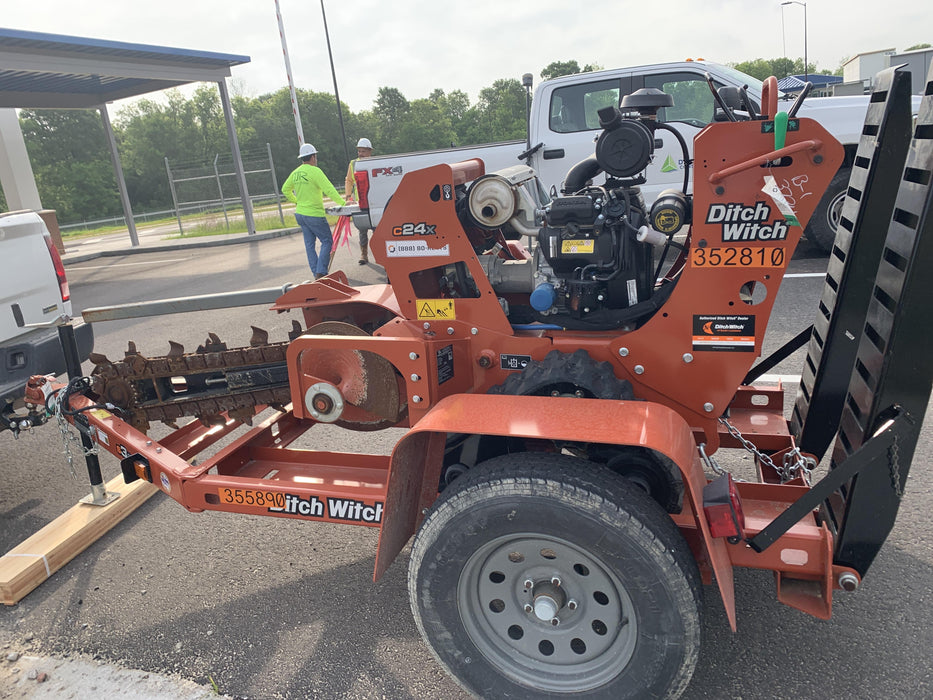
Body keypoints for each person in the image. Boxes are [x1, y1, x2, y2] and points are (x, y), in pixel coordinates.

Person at [282, 143, 346, 279]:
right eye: (315, 156)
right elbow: (328, 189)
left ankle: (316, 273)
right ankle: (321, 272)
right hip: (314, 214)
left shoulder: (296, 172)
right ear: (312, 157)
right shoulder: (315, 171)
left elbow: (285, 189)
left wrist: (297, 201)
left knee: (309, 245)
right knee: (327, 241)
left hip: (300, 214)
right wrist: (343, 203)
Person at [345, 137, 374, 265]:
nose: (360, 154)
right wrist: (348, 196)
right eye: (359, 151)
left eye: (363, 151)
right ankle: (364, 254)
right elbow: (349, 181)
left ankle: (382, 255)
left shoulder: (376, 163)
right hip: (362, 203)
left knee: (378, 231)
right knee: (362, 230)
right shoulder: (353, 164)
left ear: (369, 152)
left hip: (374, 202)